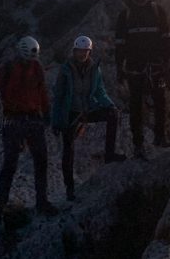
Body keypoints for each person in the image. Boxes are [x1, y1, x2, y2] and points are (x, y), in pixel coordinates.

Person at [0, 35, 58, 222]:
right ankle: (2, 206)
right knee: (13, 164)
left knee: (38, 161)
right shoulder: (10, 69)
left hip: (25, 119)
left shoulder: (33, 68)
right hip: (18, 120)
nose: (32, 60)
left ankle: (33, 202)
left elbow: (42, 91)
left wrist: (47, 113)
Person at [52, 35, 126, 199]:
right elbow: (58, 96)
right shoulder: (66, 70)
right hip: (71, 113)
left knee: (112, 114)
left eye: (85, 51)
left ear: (89, 52)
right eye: (80, 51)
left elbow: (99, 91)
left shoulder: (94, 69)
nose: (82, 54)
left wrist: (109, 104)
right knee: (68, 149)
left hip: (87, 111)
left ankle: (109, 154)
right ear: (74, 51)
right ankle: (69, 188)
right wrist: (56, 121)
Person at [114, 0, 170, 158]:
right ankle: (138, 144)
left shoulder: (157, 11)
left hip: (155, 65)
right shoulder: (125, 15)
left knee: (160, 103)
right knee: (136, 106)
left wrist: (164, 62)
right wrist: (119, 69)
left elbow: (166, 39)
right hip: (135, 67)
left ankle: (160, 137)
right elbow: (120, 44)